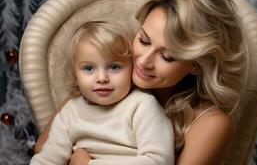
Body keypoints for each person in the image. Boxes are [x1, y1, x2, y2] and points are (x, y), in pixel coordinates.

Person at [35, 0, 245, 165]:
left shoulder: (211, 123)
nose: (143, 61)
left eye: (167, 56)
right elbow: (44, 150)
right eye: (144, 40)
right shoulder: (104, 84)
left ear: (197, 65)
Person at [30, 20, 174, 165]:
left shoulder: (142, 106)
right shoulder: (70, 112)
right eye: (88, 68)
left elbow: (158, 161)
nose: (102, 78)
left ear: (132, 68)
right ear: (75, 74)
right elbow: (47, 159)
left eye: (114, 67)